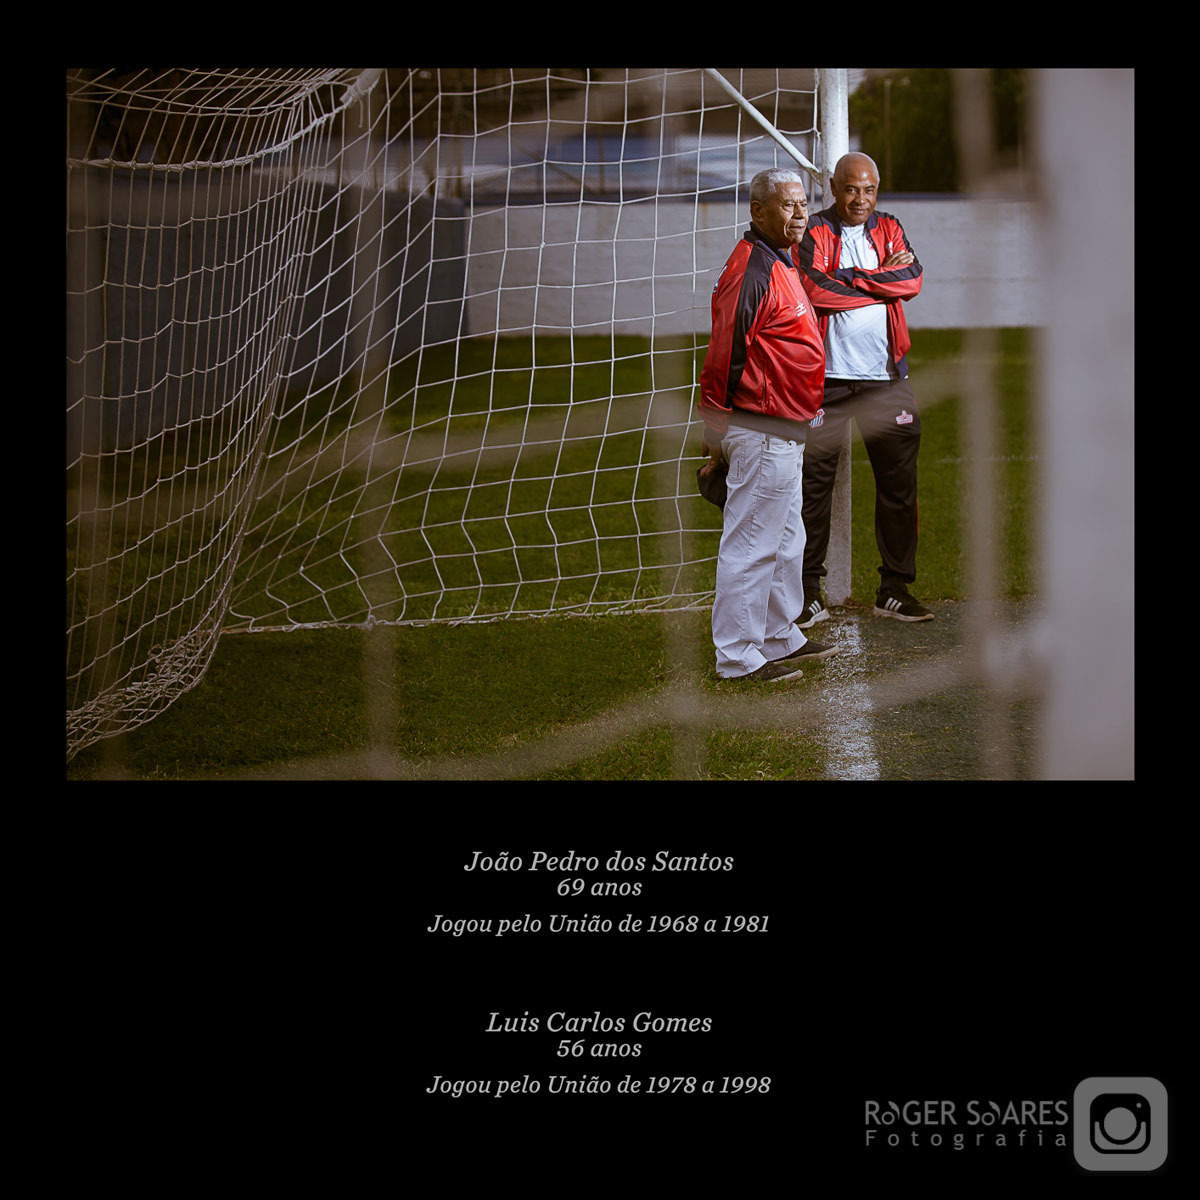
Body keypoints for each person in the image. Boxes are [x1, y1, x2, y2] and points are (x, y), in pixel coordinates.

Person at [696, 168, 841, 682]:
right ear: (758, 211)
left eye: (803, 203)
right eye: (787, 205)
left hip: (784, 430)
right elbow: (723, 355)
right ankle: (736, 655)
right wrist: (716, 436)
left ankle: (779, 635)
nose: (801, 213)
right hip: (760, 429)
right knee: (753, 543)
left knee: (785, 540)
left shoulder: (779, 260)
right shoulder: (753, 268)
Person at [791, 152, 933, 624]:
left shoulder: (889, 226)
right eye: (852, 189)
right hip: (825, 381)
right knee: (812, 487)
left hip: (885, 380)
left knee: (898, 485)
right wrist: (878, 282)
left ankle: (893, 589)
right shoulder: (812, 231)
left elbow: (911, 280)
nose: (861, 199)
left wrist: (853, 279)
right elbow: (814, 290)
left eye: (869, 189)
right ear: (834, 187)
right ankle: (808, 592)